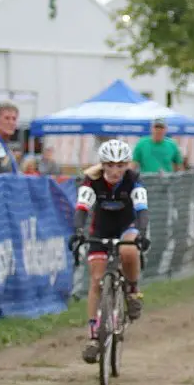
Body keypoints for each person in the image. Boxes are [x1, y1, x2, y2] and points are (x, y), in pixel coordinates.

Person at [68, 140, 151, 364]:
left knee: (128, 250)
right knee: (96, 280)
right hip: (101, 229)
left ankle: (133, 290)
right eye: (110, 165)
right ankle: (94, 335)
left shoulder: (134, 181)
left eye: (120, 165)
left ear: (127, 165)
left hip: (127, 227)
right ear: (102, 165)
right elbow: (82, 209)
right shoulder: (91, 181)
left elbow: (142, 210)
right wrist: (77, 230)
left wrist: (142, 232)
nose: (115, 171)